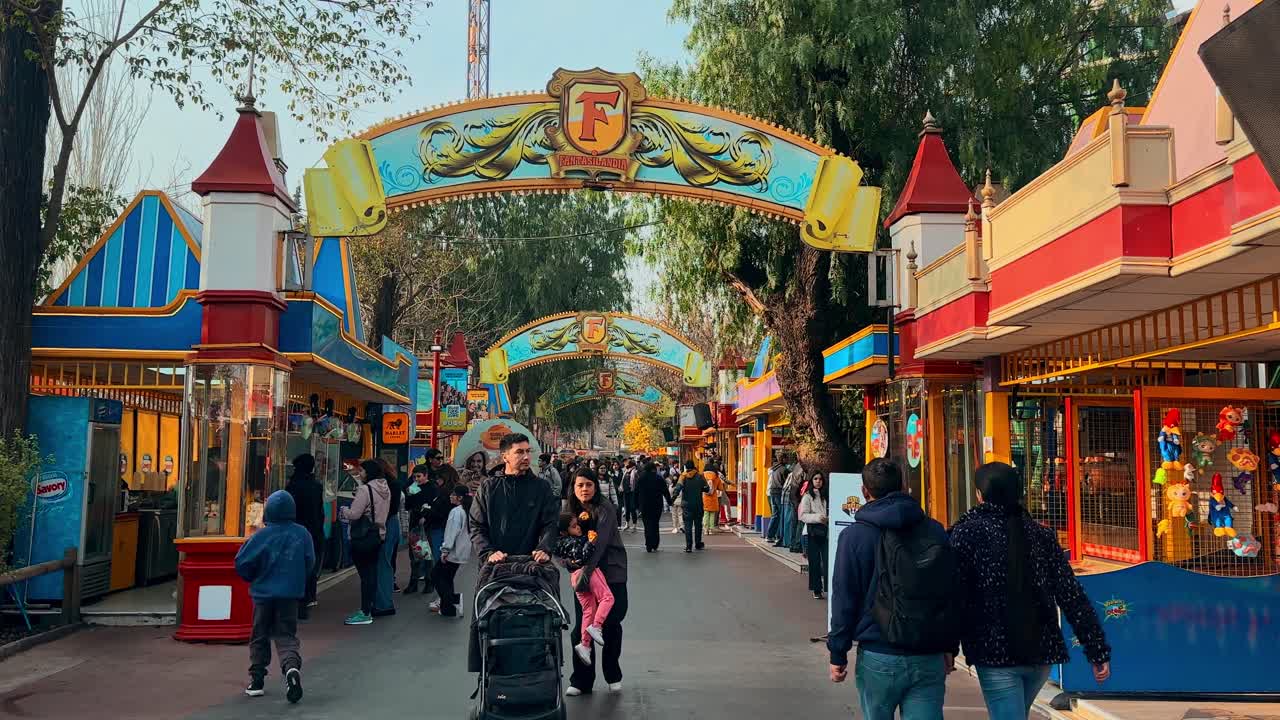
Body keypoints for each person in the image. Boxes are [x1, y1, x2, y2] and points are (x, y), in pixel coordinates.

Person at [951, 462, 1111, 719]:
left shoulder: (966, 534)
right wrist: (1096, 649)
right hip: (1041, 651)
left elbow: (955, 596)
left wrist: (948, 648)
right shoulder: (1042, 535)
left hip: (995, 653)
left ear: (980, 495)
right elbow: (1072, 597)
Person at [828, 458, 958, 720]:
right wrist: (948, 646)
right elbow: (950, 590)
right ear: (903, 485)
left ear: (864, 491)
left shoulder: (854, 536)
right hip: (928, 652)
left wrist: (838, 652)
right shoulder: (934, 530)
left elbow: (845, 597)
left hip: (878, 653)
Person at [467, 433, 559, 672]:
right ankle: (490, 671)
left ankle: (544, 668)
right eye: (520, 452)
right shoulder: (489, 487)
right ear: (504, 455)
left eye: (528, 451)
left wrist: (544, 548)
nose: (526, 456)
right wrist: (488, 553)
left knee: (544, 621)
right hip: (496, 568)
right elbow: (476, 526)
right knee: (487, 621)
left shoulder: (541, 487)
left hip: (532, 568)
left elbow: (550, 523)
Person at [234, 490, 314, 703]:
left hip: (263, 594)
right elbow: (310, 561)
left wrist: (253, 577)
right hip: (289, 595)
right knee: (286, 635)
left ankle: (257, 680)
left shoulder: (261, 535)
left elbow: (242, 562)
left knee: (259, 635)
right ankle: (291, 669)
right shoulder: (302, 533)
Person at [563, 468, 629, 696]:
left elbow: (599, 544)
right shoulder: (568, 510)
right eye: (579, 485)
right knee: (581, 626)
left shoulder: (605, 508)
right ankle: (581, 680)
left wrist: (587, 571)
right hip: (582, 575)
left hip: (611, 573)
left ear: (595, 487)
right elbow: (559, 538)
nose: (584, 489)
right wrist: (567, 562)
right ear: (573, 487)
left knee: (611, 624)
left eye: (588, 485)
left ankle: (612, 674)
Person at [554, 510, 615, 664]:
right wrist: (591, 543)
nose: (578, 528)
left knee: (588, 610)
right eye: (574, 526)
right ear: (564, 532)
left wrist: (585, 522)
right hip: (588, 572)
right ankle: (596, 626)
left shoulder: (560, 544)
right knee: (607, 598)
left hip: (575, 577)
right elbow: (581, 556)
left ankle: (585, 644)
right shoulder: (571, 542)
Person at [339, 460, 390, 626]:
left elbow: (354, 514)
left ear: (369, 472)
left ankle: (365, 611)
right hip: (378, 534)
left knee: (365, 576)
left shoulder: (364, 489)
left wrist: (344, 510)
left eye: (361, 471)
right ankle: (370, 607)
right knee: (372, 574)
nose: (359, 474)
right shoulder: (385, 488)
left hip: (363, 536)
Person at [284, 454, 325, 619]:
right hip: (313, 530)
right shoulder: (316, 486)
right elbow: (319, 512)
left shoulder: (292, 486)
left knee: (294, 566)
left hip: (294, 530)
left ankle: (296, 600)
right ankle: (308, 598)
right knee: (310, 565)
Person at [432, 484, 473, 619]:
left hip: (453, 552)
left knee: (437, 575)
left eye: (453, 494)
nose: (450, 496)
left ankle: (451, 603)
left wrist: (445, 550)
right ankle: (448, 605)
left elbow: (451, 533)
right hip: (462, 552)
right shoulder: (468, 511)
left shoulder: (456, 512)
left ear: (459, 497)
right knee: (447, 578)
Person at [374, 458, 402, 614]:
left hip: (385, 524)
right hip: (392, 524)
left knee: (383, 564)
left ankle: (383, 603)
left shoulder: (384, 486)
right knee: (386, 562)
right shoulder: (394, 483)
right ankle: (384, 601)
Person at [402, 464, 435, 595]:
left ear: (426, 475)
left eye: (419, 476)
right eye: (414, 476)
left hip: (426, 524)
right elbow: (407, 505)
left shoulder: (432, 488)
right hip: (414, 522)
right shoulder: (413, 487)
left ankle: (429, 581)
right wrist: (410, 493)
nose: (416, 479)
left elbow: (434, 505)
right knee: (414, 555)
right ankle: (413, 582)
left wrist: (425, 516)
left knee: (426, 554)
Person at [798, 472, 830, 600]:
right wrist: (818, 518)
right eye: (815, 479)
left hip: (827, 532)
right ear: (811, 481)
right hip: (813, 532)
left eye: (820, 479)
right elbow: (802, 515)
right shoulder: (807, 496)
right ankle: (817, 589)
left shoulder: (827, 495)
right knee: (815, 562)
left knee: (827, 561)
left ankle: (829, 588)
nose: (818, 481)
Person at [633, 460, 672, 552]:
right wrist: (669, 502)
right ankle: (655, 543)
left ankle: (648, 544)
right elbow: (665, 491)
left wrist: (635, 505)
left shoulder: (641, 478)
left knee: (647, 525)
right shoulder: (659, 478)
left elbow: (636, 492)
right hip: (657, 504)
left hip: (644, 505)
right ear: (654, 469)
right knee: (655, 524)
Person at [672, 461, 711, 553]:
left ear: (686, 467)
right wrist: (700, 488)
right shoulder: (700, 476)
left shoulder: (683, 476)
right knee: (698, 525)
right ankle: (698, 544)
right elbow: (707, 489)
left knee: (688, 525)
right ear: (693, 467)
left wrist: (672, 499)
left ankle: (688, 546)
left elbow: (678, 488)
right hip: (698, 504)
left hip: (686, 505)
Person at [780, 461, 806, 552]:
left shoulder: (796, 467)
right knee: (798, 523)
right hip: (797, 499)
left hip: (793, 498)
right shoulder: (802, 468)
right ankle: (796, 545)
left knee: (793, 523)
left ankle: (792, 544)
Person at [701, 463, 722, 533]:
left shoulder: (702, 476)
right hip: (713, 498)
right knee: (712, 514)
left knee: (706, 513)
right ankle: (710, 529)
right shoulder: (716, 477)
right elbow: (721, 488)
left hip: (705, 497)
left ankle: (705, 529)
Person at [620, 459, 639, 532]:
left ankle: (634, 525)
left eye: (626, 463)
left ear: (630, 464)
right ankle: (627, 524)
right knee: (626, 508)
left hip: (632, 493)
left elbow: (636, 483)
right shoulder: (625, 472)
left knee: (632, 508)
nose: (625, 464)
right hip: (625, 492)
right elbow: (622, 481)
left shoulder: (635, 472)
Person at [668, 458, 685, 535]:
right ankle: (682, 526)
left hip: (673, 502)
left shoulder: (671, 486)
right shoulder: (681, 485)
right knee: (680, 514)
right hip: (680, 501)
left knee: (674, 515)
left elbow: (669, 494)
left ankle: (675, 527)